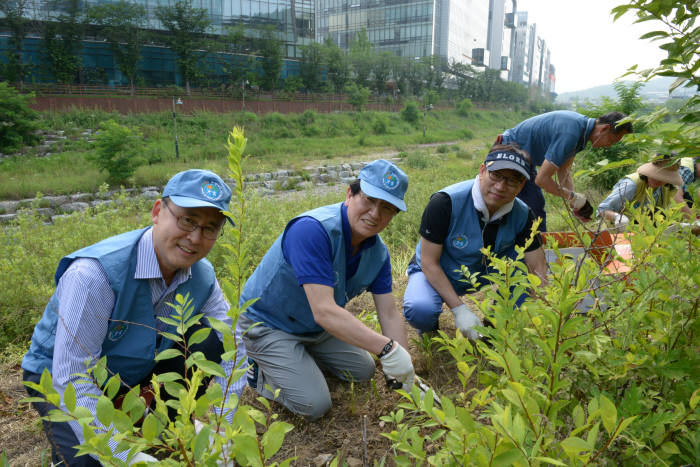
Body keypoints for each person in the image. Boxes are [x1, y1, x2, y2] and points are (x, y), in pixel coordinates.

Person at [21, 169, 244, 466]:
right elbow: (70, 375)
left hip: (133, 364)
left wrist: (222, 427)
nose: (195, 237)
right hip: (60, 374)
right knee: (94, 458)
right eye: (187, 220)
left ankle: (169, 427)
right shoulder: (94, 275)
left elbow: (234, 343)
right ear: (157, 212)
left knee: (209, 339)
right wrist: (127, 456)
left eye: (210, 228)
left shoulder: (202, 276)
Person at [237, 159, 415, 420]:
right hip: (269, 324)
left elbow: (388, 313)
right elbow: (324, 311)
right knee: (315, 404)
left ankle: (299, 358)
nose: (375, 214)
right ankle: (259, 370)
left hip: (315, 329)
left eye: (387, 208)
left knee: (363, 371)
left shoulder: (378, 254)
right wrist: (388, 350)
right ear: (349, 195)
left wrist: (405, 365)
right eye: (369, 200)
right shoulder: (312, 230)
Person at [403, 145, 548, 339]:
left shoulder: (523, 215)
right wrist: (460, 311)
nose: (501, 186)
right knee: (421, 309)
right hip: (436, 270)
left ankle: (496, 323)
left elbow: (537, 267)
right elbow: (429, 262)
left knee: (523, 266)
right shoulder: (445, 202)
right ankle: (429, 326)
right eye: (496, 175)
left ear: (522, 186)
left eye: (513, 181)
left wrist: (543, 311)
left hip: (480, 275)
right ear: (482, 171)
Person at [497, 110, 633, 230]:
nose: (609, 146)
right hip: (508, 152)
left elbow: (564, 171)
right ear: (604, 129)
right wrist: (572, 197)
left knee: (533, 210)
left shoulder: (581, 132)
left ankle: (530, 251)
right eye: (612, 140)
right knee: (530, 211)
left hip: (524, 159)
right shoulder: (571, 133)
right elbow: (542, 180)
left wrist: (575, 203)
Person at [597, 156, 685, 229]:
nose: (657, 180)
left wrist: (677, 227)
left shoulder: (667, 190)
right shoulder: (631, 185)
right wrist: (617, 217)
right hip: (616, 235)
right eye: (656, 175)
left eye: (663, 178)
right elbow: (602, 210)